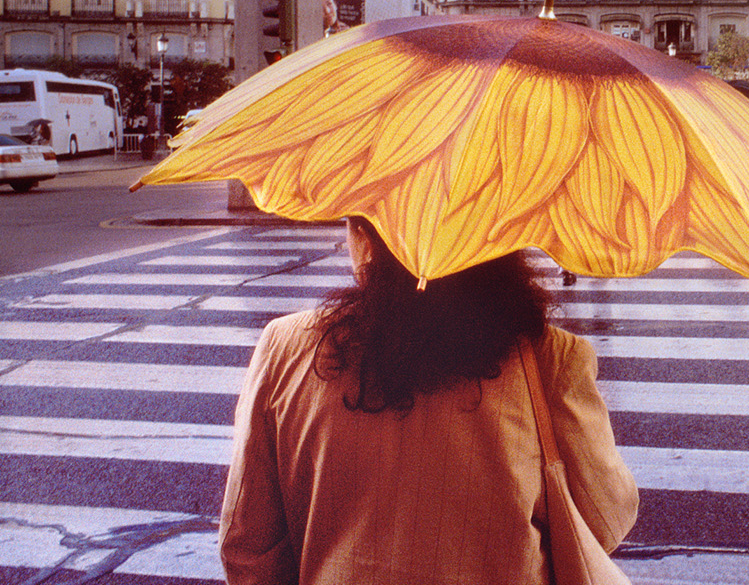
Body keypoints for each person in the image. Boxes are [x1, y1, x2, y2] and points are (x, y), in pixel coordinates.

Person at [220, 216, 639, 584]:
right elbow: (604, 520)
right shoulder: (550, 359)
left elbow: (247, 543)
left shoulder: (289, 348)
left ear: (366, 235)